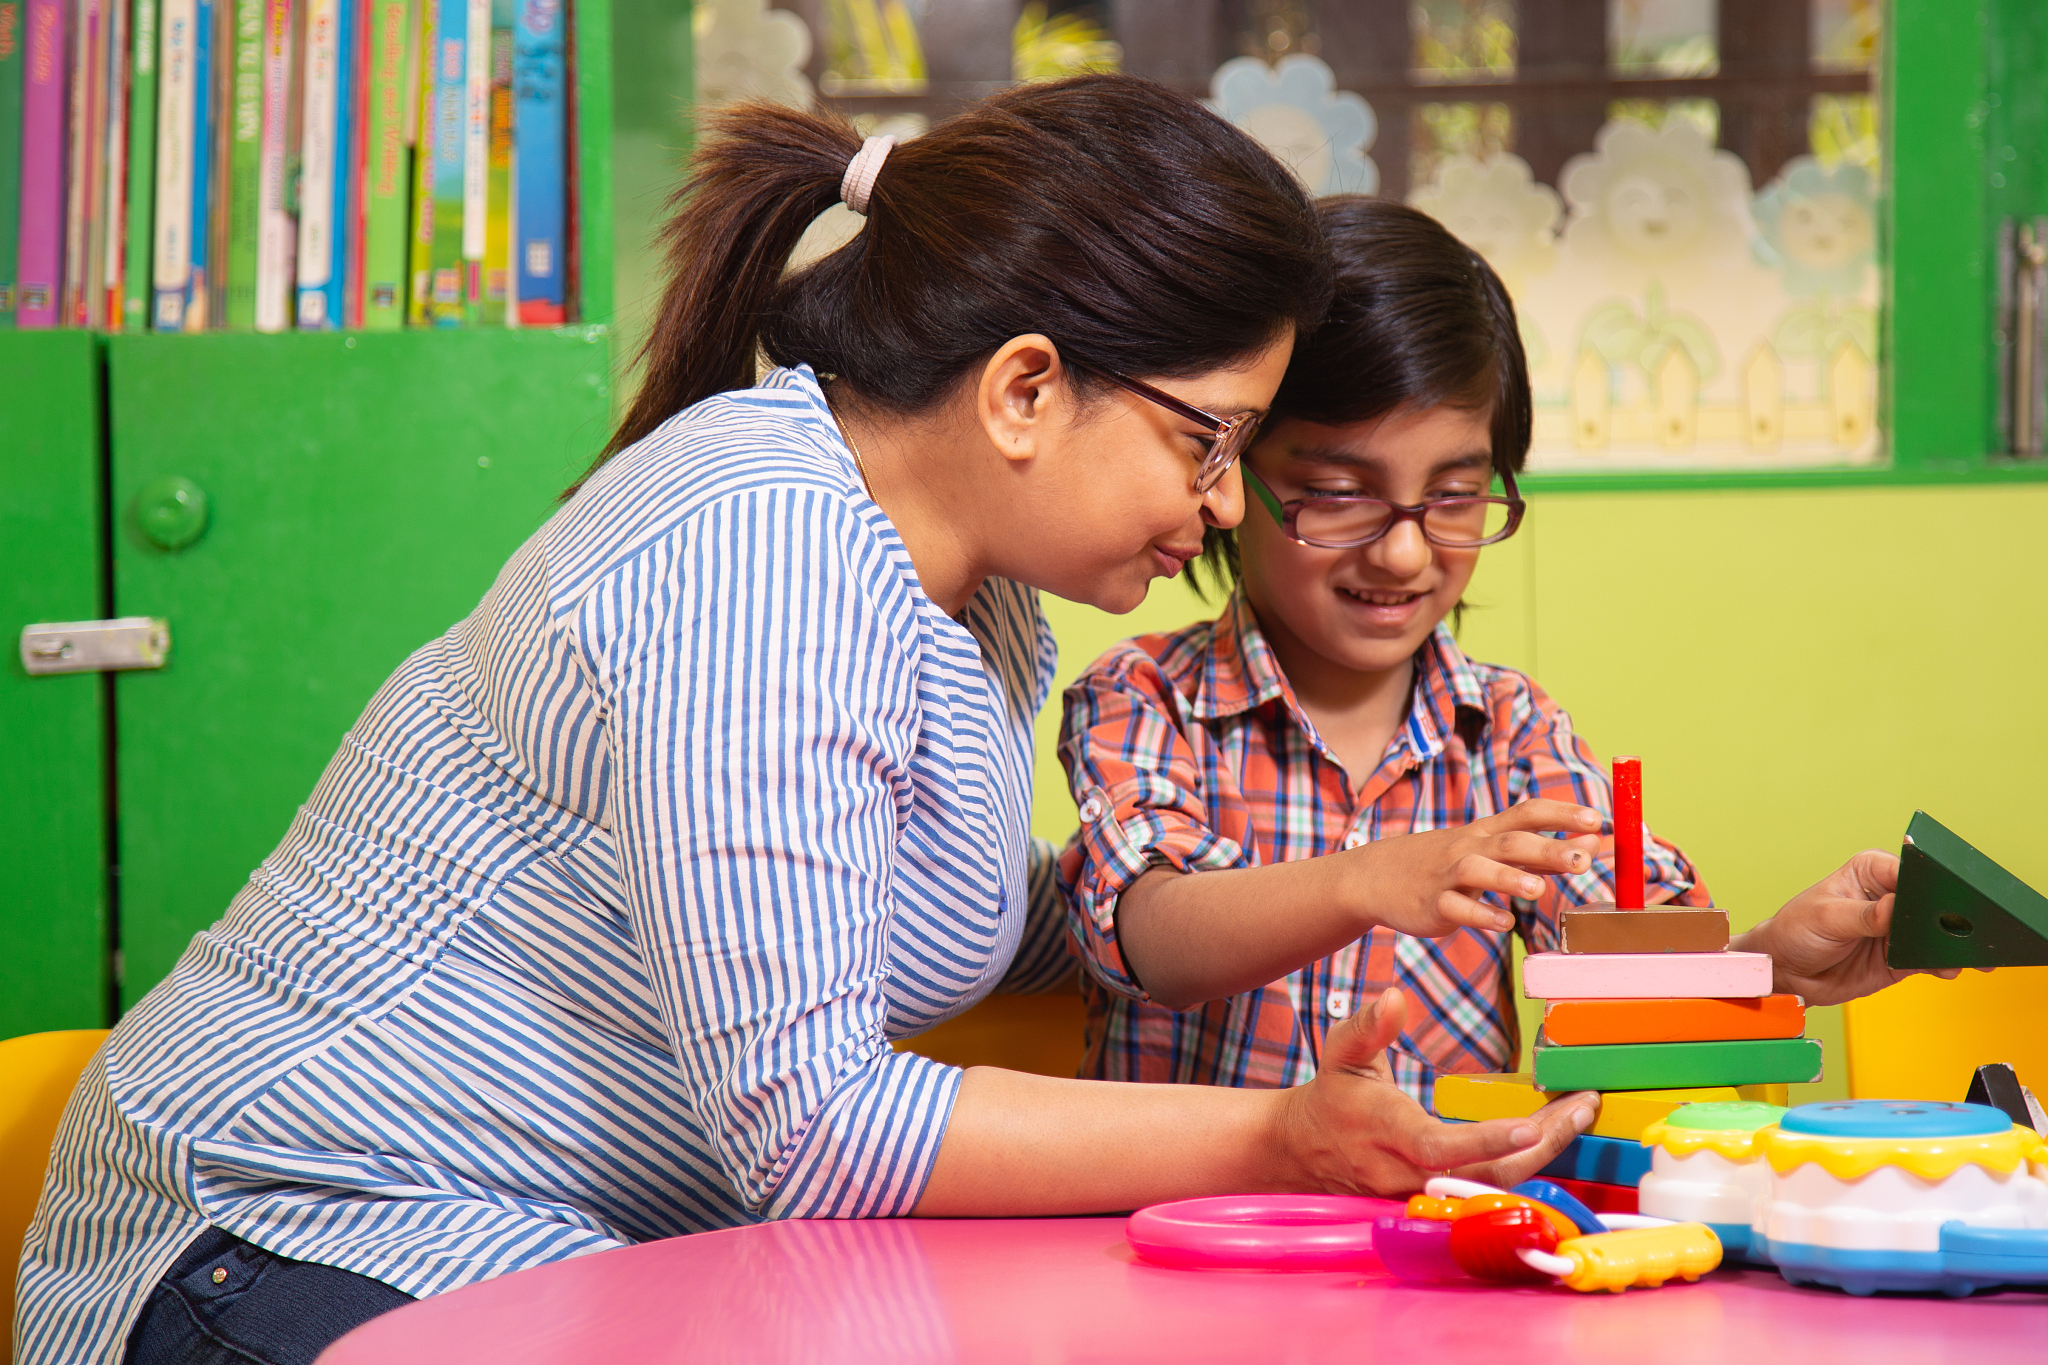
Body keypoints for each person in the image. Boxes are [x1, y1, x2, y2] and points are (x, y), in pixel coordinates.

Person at [18, 84, 1597, 1365]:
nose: (1219, 507)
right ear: (1027, 390)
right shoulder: (766, 551)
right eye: (1211, 441)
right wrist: (1275, 1139)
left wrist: (1288, 889)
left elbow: (978, 912)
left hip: (527, 1240)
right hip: (282, 1238)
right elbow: (816, 1128)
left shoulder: (970, 591)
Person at [1058, 196, 1943, 1109]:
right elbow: (1151, 937)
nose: (1403, 552)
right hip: (1189, 1232)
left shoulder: (1517, 733)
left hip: (1444, 1231)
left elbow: (1623, 957)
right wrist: (1364, 879)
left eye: (1453, 496)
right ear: (1227, 475)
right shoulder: (1144, 695)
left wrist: (1767, 961)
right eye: (1336, 493)